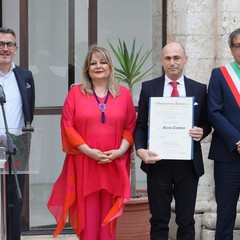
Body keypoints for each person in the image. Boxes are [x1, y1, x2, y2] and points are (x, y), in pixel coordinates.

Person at [47, 44, 136, 240]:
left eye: (103, 62)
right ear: (87, 69)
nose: (98, 66)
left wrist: (120, 151)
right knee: (88, 211)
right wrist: (89, 151)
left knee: (108, 215)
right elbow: (67, 126)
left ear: (110, 66)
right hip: (85, 162)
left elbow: (130, 127)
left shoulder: (123, 94)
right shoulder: (76, 94)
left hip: (114, 162)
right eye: (93, 63)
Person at [134, 42, 211, 240]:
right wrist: (140, 150)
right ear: (162, 61)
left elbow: (206, 123)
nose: (172, 62)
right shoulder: (149, 88)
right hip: (158, 163)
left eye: (176, 58)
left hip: (187, 165)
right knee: (159, 220)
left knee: (186, 221)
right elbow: (141, 125)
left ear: (185, 60)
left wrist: (201, 132)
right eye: (168, 58)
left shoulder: (199, 89)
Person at [0, 27, 35, 240]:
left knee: (14, 202)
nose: (5, 48)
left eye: (9, 44)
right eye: (0, 44)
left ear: (16, 48)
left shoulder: (25, 76)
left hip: (17, 147)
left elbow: (29, 111)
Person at [208, 28, 240, 240]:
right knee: (226, 213)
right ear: (231, 49)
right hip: (229, 156)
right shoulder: (220, 74)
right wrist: (237, 140)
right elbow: (214, 112)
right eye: (238, 46)